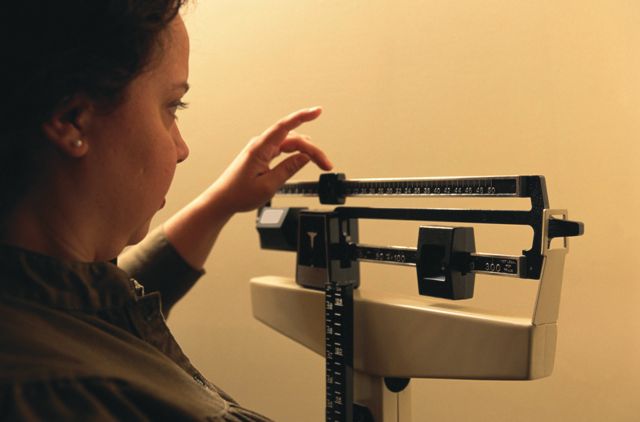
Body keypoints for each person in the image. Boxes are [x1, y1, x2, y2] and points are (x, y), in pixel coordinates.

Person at [0, 1, 332, 420]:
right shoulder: (62, 396)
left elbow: (103, 308)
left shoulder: (51, 302)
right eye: (172, 107)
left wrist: (221, 203)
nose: (181, 149)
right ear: (72, 119)